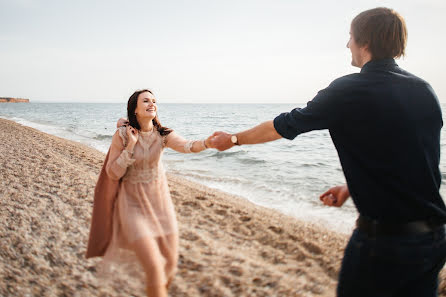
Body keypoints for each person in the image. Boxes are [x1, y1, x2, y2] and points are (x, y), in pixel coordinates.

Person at [209, 7, 446, 297]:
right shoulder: (424, 90)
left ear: (365, 42)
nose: (348, 44)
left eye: (350, 37)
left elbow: (283, 125)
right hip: (433, 240)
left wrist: (233, 140)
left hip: (384, 244)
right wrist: (351, 188)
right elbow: (413, 161)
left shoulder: (348, 90)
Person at [86, 89, 212, 297]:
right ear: (134, 109)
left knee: (169, 265)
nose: (152, 104)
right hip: (132, 206)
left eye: (154, 101)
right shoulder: (122, 135)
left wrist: (208, 143)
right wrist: (130, 148)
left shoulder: (163, 135)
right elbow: (113, 173)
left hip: (160, 204)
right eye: (146, 101)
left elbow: (187, 146)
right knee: (154, 268)